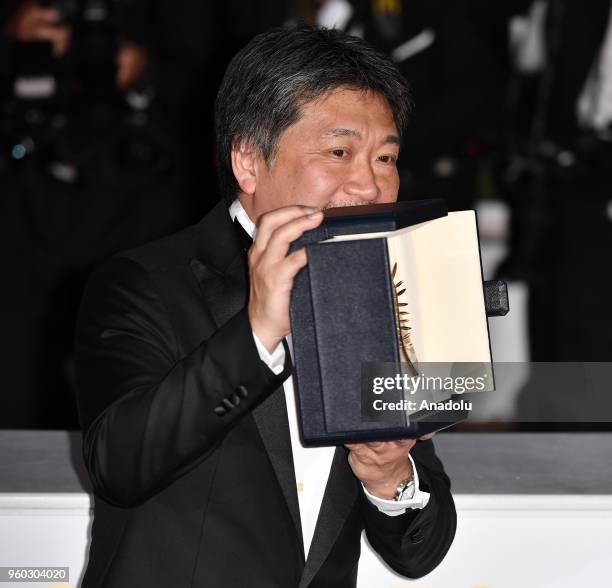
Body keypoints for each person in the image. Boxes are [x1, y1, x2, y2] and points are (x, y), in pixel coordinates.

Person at [75, 25, 456, 587]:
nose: (371, 184)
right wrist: (257, 334)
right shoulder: (143, 282)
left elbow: (418, 553)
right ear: (248, 162)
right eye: (340, 151)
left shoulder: (390, 290)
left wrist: (391, 475)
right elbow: (119, 467)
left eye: (386, 157)